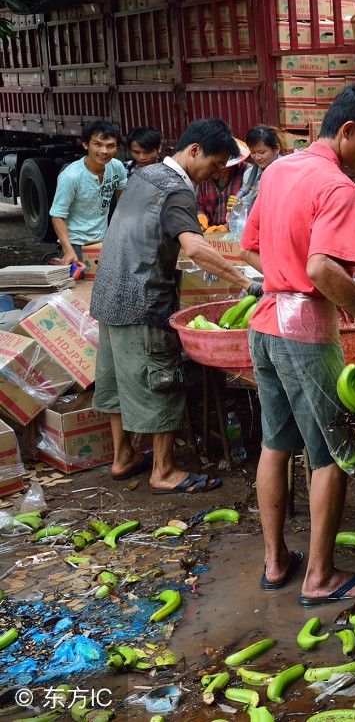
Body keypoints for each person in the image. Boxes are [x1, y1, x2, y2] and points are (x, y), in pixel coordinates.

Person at [240, 83, 355, 605]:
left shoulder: (279, 171)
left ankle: (276, 564)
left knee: (275, 445)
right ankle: (319, 577)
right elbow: (321, 269)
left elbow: (248, 247)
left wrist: (282, 275)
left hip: (265, 323)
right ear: (348, 132)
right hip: (304, 331)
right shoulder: (336, 186)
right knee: (330, 454)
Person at [90, 118, 262, 492]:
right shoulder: (177, 192)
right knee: (161, 382)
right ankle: (164, 471)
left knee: (119, 382)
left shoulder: (143, 175)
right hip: (142, 300)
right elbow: (197, 248)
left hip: (107, 295)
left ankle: (123, 458)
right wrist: (248, 283)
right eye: (215, 164)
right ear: (194, 150)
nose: (215, 173)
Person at [50, 121, 129, 266]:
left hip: (104, 241)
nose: (104, 151)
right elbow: (57, 215)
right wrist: (68, 250)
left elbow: (123, 201)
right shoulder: (71, 176)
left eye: (110, 146)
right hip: (76, 244)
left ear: (117, 148)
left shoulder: (117, 167)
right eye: (98, 144)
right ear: (86, 144)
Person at [227, 125, 284, 230]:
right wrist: (237, 206)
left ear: (276, 149)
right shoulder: (249, 174)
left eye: (262, 152)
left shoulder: (288, 169)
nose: (257, 157)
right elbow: (247, 208)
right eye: (253, 152)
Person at [195, 142, 247, 228]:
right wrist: (200, 215)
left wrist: (229, 225)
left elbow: (253, 208)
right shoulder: (204, 175)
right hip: (211, 233)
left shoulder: (247, 173)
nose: (214, 171)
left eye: (218, 167)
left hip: (237, 233)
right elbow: (198, 204)